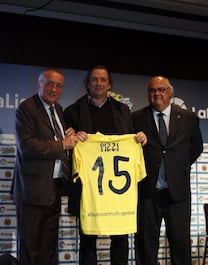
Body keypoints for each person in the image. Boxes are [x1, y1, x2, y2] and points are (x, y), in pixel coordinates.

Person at [63, 65, 147, 265]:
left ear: (109, 84)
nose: (98, 83)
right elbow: (64, 144)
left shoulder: (123, 110)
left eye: (103, 80)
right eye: (94, 79)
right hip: (89, 190)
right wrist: (72, 137)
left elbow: (131, 139)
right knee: (88, 239)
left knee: (120, 238)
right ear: (87, 83)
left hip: (118, 191)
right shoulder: (72, 111)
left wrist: (139, 138)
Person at [12, 68, 87, 265]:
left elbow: (55, 141)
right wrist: (62, 144)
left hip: (53, 187)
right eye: (49, 83)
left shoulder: (59, 110)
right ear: (39, 85)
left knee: (48, 246)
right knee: (31, 247)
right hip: (31, 190)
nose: (54, 89)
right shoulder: (27, 108)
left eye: (58, 85)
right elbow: (26, 146)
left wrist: (68, 136)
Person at [132, 76, 203, 265]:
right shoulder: (136, 118)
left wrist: (179, 167)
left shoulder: (188, 117)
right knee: (146, 248)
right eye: (153, 90)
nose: (157, 94)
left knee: (180, 248)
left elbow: (196, 148)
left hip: (178, 195)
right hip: (148, 194)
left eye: (161, 89)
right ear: (148, 94)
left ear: (170, 92)